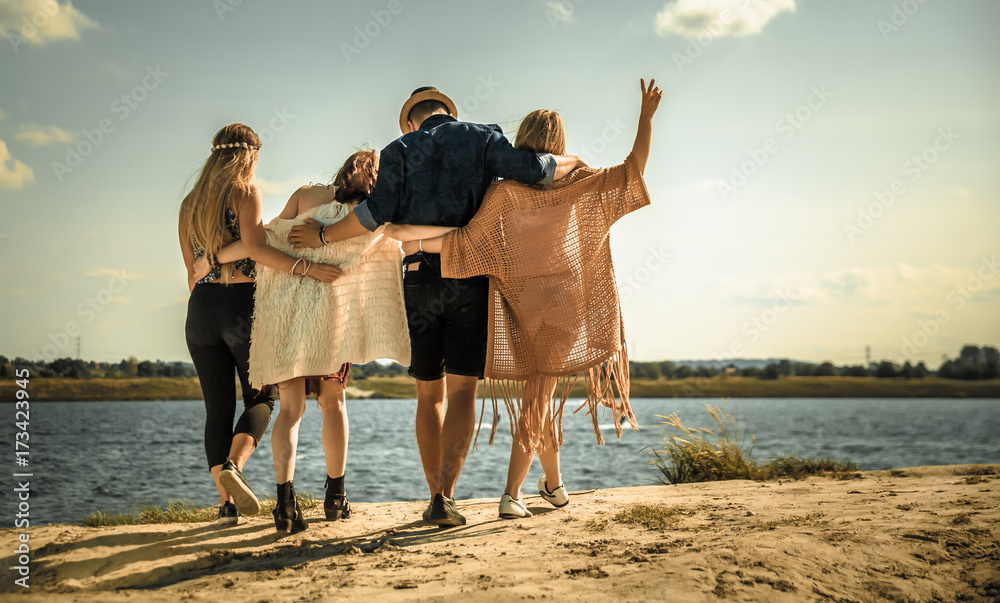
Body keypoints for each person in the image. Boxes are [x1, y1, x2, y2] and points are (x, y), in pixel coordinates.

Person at [288, 87, 586, 526]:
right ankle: (447, 495)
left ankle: (435, 498)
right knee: (464, 391)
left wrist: (322, 237)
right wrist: (573, 162)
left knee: (430, 393)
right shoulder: (484, 137)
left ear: (412, 121)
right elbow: (534, 171)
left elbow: (373, 215)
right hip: (470, 278)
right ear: (448, 111)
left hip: (419, 278)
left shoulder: (398, 150)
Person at [393, 78, 663, 519]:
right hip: (564, 305)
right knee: (539, 398)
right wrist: (645, 119)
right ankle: (512, 493)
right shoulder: (582, 182)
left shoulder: (502, 194)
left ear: (521, 145)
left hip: (520, 308)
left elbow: (468, 243)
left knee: (541, 392)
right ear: (559, 144)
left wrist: (414, 240)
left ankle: (553, 486)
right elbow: (635, 169)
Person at [201, 150, 410, 533]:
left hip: (288, 315)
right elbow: (397, 245)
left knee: (290, 410)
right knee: (334, 403)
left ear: (342, 170)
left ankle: (284, 502)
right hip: (331, 318)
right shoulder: (373, 213)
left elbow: (268, 238)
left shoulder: (305, 195)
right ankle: (336, 496)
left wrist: (217, 257)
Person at [178, 123, 342, 525]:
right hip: (243, 307)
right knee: (262, 398)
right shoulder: (245, 191)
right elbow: (256, 248)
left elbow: (191, 272)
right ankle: (235, 466)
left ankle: (225, 506)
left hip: (200, 311)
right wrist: (306, 267)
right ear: (249, 154)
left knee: (216, 410)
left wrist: (214, 265)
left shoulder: (188, 204)